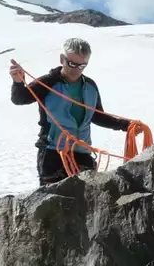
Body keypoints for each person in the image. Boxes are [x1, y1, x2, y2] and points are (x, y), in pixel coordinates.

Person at [10, 38, 137, 186]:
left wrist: (127, 125)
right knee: (54, 204)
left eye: (82, 65)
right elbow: (20, 99)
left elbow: (97, 115)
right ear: (62, 59)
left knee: (87, 202)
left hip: (82, 153)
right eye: (72, 64)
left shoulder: (90, 86)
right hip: (52, 153)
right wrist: (18, 82)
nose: (77, 69)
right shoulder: (47, 82)